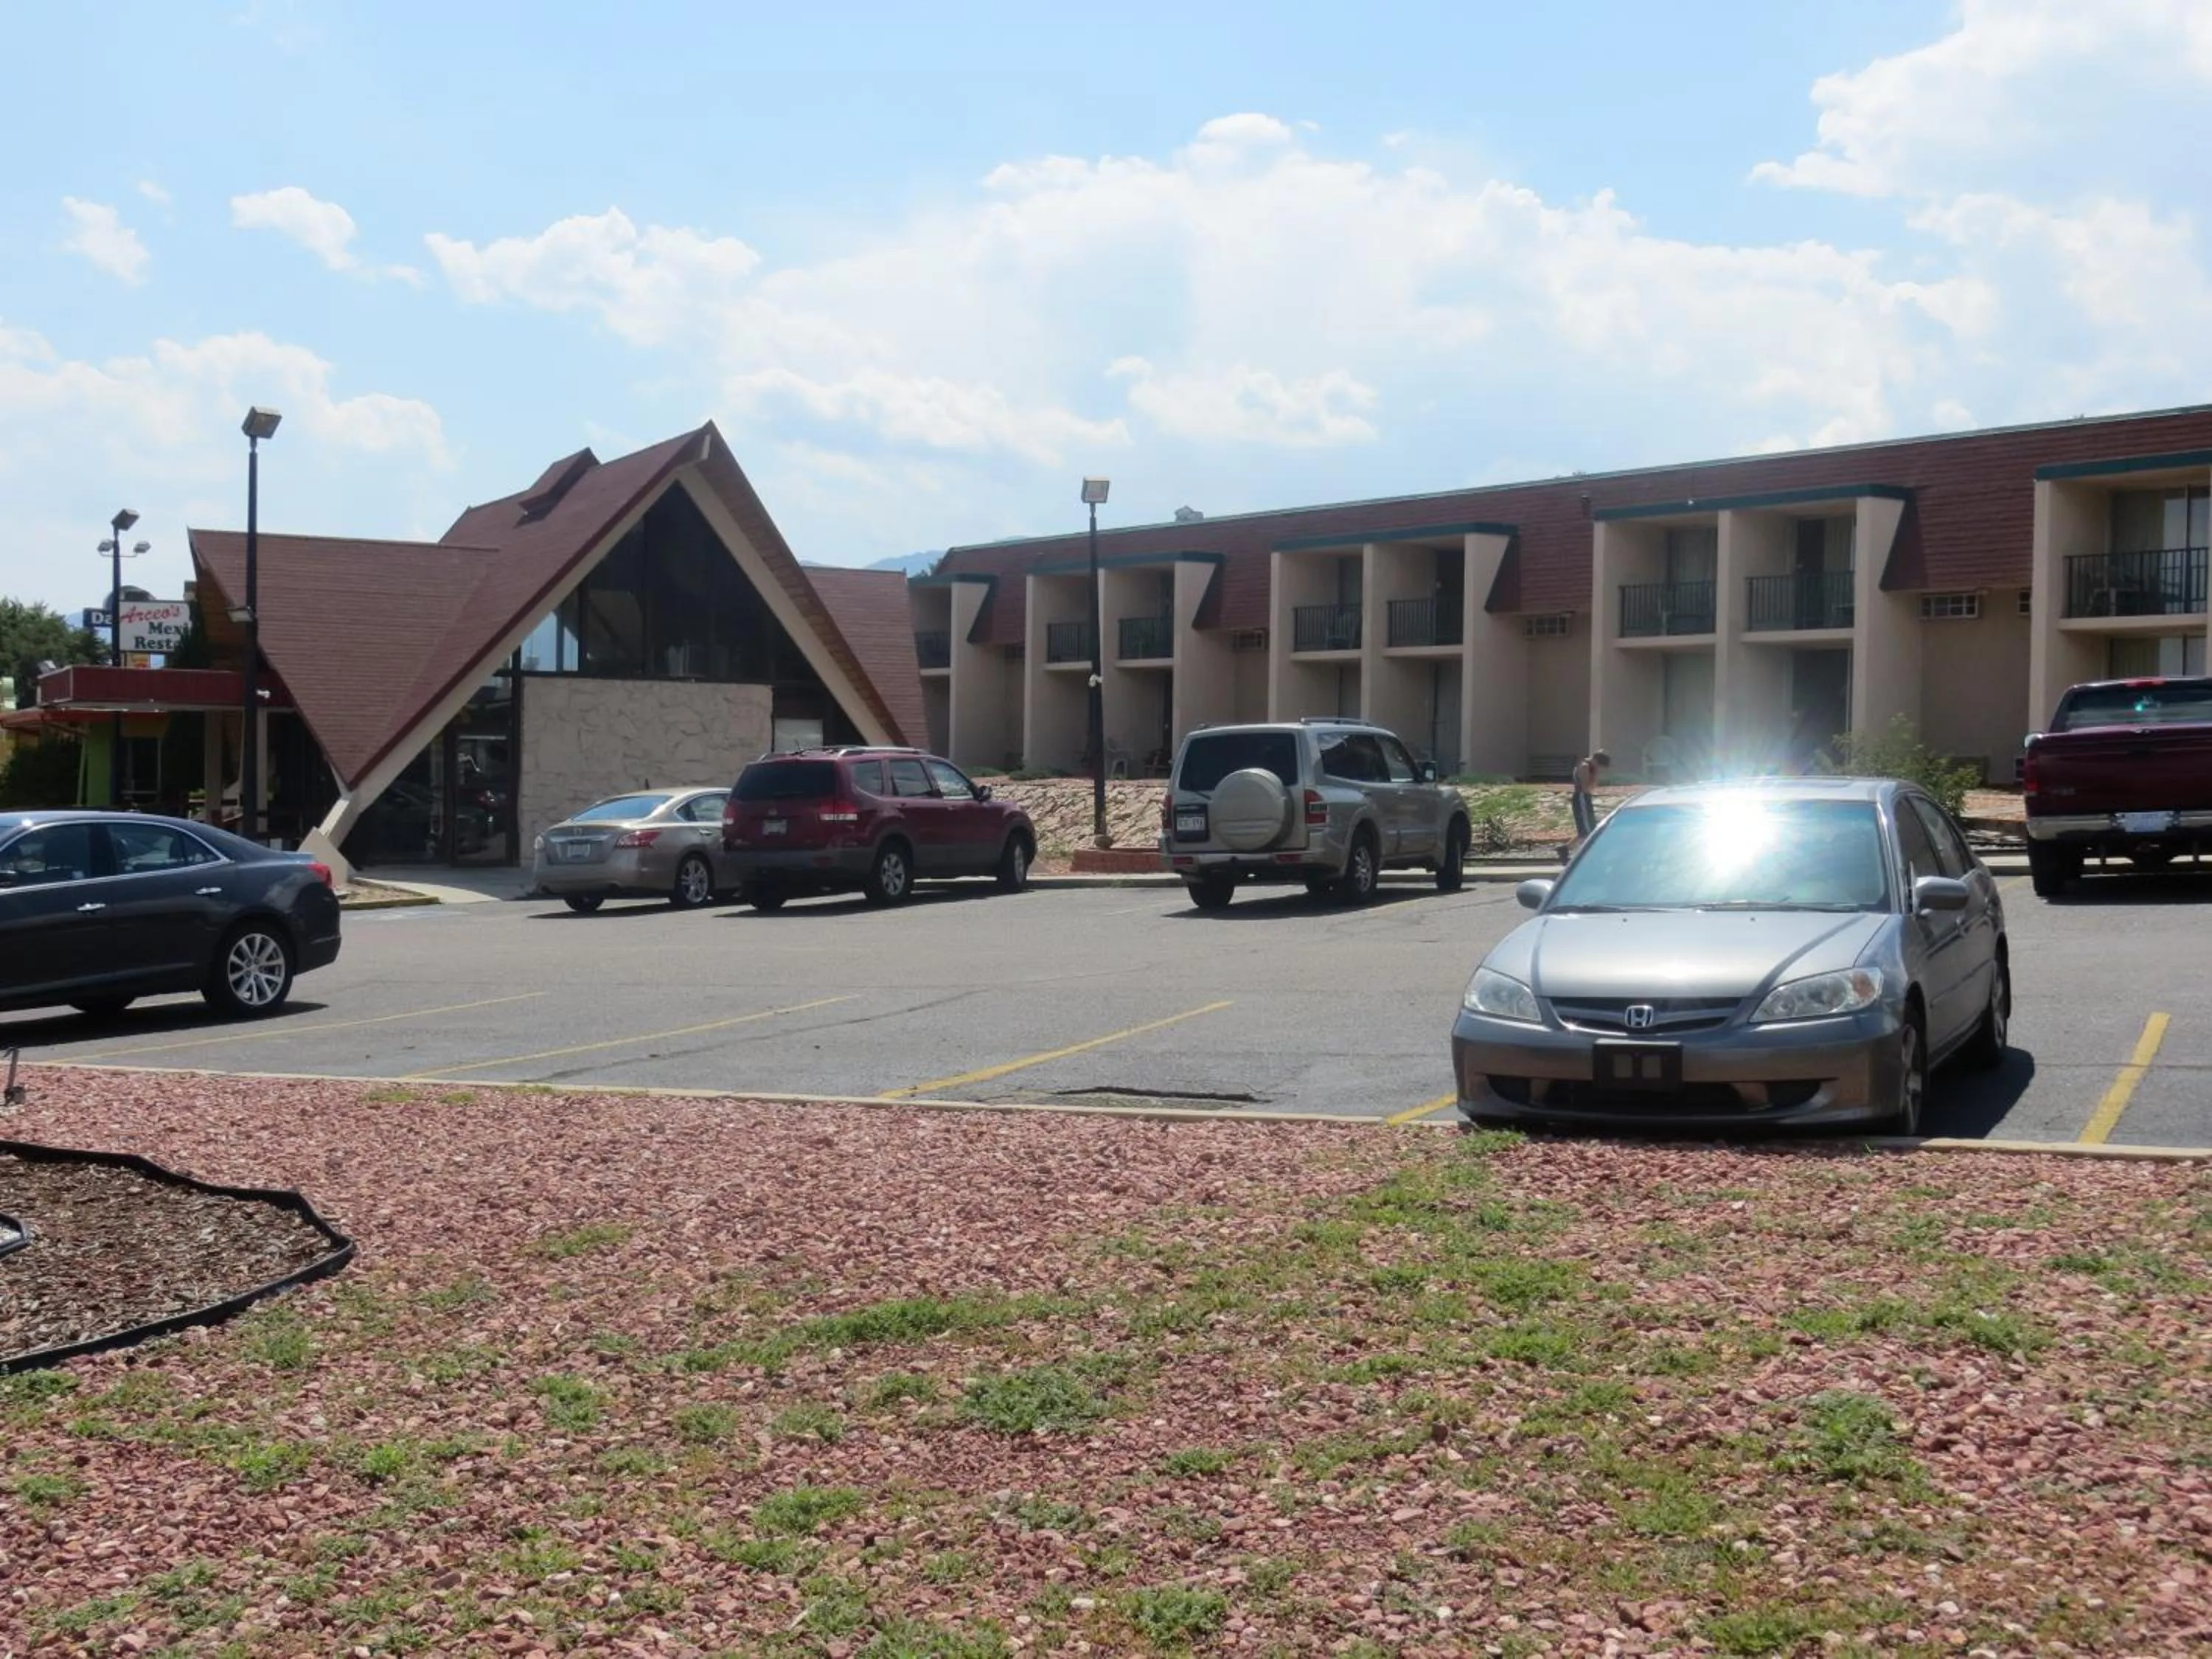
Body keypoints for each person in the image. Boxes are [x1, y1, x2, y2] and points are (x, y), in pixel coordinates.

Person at [1564, 748, 1610, 861]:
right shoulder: (1584, 767)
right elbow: (1586, 788)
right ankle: (1586, 855)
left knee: (1587, 830)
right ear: (1596, 761)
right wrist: (1595, 775)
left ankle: (1564, 849)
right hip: (1581, 798)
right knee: (1587, 831)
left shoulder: (1589, 767)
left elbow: (1591, 788)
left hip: (1585, 798)